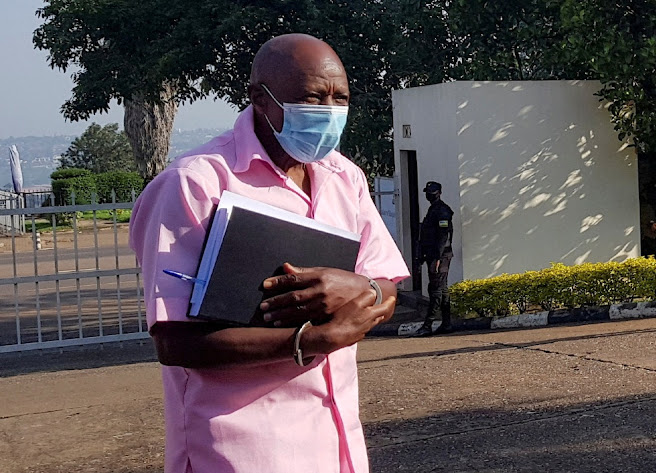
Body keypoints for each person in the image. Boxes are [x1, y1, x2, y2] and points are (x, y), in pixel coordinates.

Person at [129, 33, 409, 473]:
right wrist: (312, 340)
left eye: (341, 98)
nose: (330, 112)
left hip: (337, 447)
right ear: (260, 98)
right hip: (237, 453)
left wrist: (363, 288)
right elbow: (174, 340)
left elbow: (388, 285)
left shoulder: (344, 177)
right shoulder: (196, 184)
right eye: (313, 98)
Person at [414, 181, 454, 337]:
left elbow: (444, 236)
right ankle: (447, 323)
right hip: (433, 255)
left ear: (439, 193)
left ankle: (428, 325)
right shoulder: (433, 210)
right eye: (427, 192)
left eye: (432, 192)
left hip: (441, 256)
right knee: (442, 289)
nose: (428, 195)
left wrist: (437, 258)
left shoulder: (443, 211)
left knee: (436, 289)